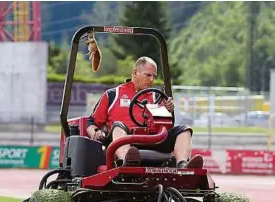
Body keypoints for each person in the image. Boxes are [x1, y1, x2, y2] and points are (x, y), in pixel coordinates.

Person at [84, 34, 203, 169]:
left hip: (151, 138)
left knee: (184, 129)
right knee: (118, 126)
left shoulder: (154, 97)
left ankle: (182, 164)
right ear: (135, 73)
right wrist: (95, 132)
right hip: (126, 139)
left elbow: (163, 126)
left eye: (154, 76)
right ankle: (127, 162)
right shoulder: (113, 95)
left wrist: (166, 110)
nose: (151, 80)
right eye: (147, 75)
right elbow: (91, 122)